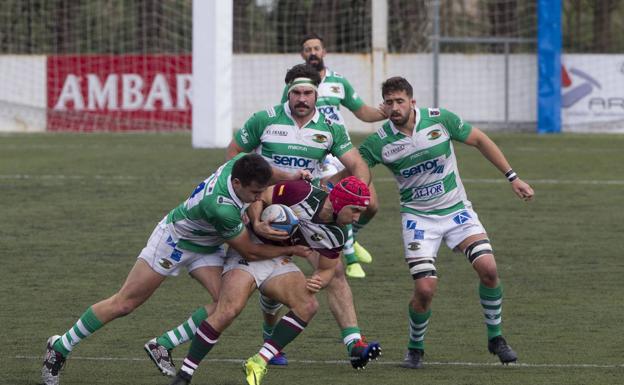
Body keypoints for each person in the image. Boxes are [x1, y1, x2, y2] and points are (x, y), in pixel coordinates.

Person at [41, 153, 313, 385]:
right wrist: (291, 249)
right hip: (175, 241)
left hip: (210, 244)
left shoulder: (242, 163)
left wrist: (292, 175)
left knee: (225, 305)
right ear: (237, 183)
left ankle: (163, 344)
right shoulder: (221, 207)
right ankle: (60, 347)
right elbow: (250, 251)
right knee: (125, 303)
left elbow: (269, 173)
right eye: (254, 192)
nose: (258, 197)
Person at [358, 76, 535, 369]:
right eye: (389, 102)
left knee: (489, 269)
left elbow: (479, 139)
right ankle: (415, 348)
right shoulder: (380, 142)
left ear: (412, 102)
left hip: (456, 211)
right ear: (384, 105)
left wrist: (513, 178)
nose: (394, 107)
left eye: (400, 101)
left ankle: (496, 338)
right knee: (425, 289)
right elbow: (355, 168)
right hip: (418, 220)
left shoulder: (440, 121)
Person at [223, 62, 379, 367]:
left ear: (317, 94)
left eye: (308, 92)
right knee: (269, 279)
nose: (302, 98)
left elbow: (358, 165)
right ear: (288, 93)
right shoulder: (264, 119)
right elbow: (233, 155)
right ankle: (272, 339)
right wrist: (251, 202)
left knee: (333, 271)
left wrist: (348, 191)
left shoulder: (330, 128)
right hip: (266, 207)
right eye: (296, 92)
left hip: (310, 209)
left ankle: (354, 343)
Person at [168, 176, 380, 385]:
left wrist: (319, 280)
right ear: (339, 202)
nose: (356, 218)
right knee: (229, 309)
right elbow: (260, 196)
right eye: (355, 210)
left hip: (278, 257)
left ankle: (258, 361)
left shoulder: (337, 234)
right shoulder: (301, 192)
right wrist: (258, 222)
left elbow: (327, 269)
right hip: (250, 249)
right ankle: (185, 374)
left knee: (307, 305)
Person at [282, 32, 387, 278]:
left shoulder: (339, 82)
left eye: (316, 48)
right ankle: (349, 259)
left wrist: (389, 112)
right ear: (302, 55)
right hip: (318, 152)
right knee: (338, 200)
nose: (312, 53)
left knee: (371, 204)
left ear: (324, 52)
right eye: (307, 49)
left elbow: (362, 112)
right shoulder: (297, 89)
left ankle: (353, 236)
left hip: (339, 147)